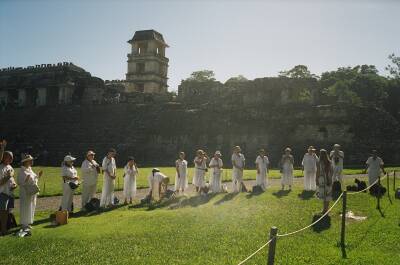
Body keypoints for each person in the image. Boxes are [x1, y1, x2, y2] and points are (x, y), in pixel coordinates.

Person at [17, 154, 43, 229]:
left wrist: (38, 176)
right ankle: (24, 224)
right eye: (30, 160)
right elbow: (19, 182)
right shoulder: (22, 170)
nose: (32, 161)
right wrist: (26, 180)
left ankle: (28, 223)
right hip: (25, 192)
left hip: (32, 191)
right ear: (26, 162)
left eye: (32, 160)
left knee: (31, 206)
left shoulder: (30, 169)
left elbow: (34, 179)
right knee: (25, 206)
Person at [0, 150, 17, 235]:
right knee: (3, 212)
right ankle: (3, 230)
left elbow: (12, 180)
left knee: (7, 212)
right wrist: (9, 176)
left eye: (12, 157)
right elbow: (0, 183)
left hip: (10, 193)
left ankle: (6, 228)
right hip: (2, 193)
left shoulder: (10, 167)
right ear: (4, 157)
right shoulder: (1, 168)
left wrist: (14, 185)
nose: (11, 158)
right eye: (9, 157)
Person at [316, 149, 333, 214]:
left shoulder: (319, 162)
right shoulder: (329, 162)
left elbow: (317, 172)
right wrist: (330, 178)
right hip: (328, 178)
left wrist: (316, 180)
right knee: (328, 194)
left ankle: (324, 209)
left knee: (323, 195)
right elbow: (332, 172)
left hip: (321, 178)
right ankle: (326, 209)